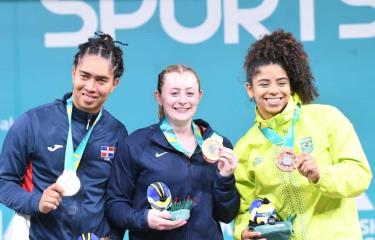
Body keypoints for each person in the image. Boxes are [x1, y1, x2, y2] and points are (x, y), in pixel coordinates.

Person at [233, 29, 372, 240]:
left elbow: (360, 175)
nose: (273, 91)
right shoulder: (245, 147)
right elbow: (244, 208)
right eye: (263, 84)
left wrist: (321, 174)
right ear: (250, 89)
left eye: (281, 82)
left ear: (291, 85)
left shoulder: (327, 118)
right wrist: (242, 231)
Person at [0, 32, 128, 239]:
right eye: (84, 76)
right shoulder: (34, 122)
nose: (90, 87)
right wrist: (36, 202)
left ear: (115, 84)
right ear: (73, 72)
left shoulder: (116, 132)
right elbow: (4, 182)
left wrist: (112, 236)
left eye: (101, 80)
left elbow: (118, 198)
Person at [106, 64, 240, 239]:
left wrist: (225, 178)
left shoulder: (218, 145)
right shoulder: (136, 145)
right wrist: (144, 218)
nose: (183, 100)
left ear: (200, 96)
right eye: (174, 93)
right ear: (159, 97)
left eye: (190, 93)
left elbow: (227, 215)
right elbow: (115, 205)